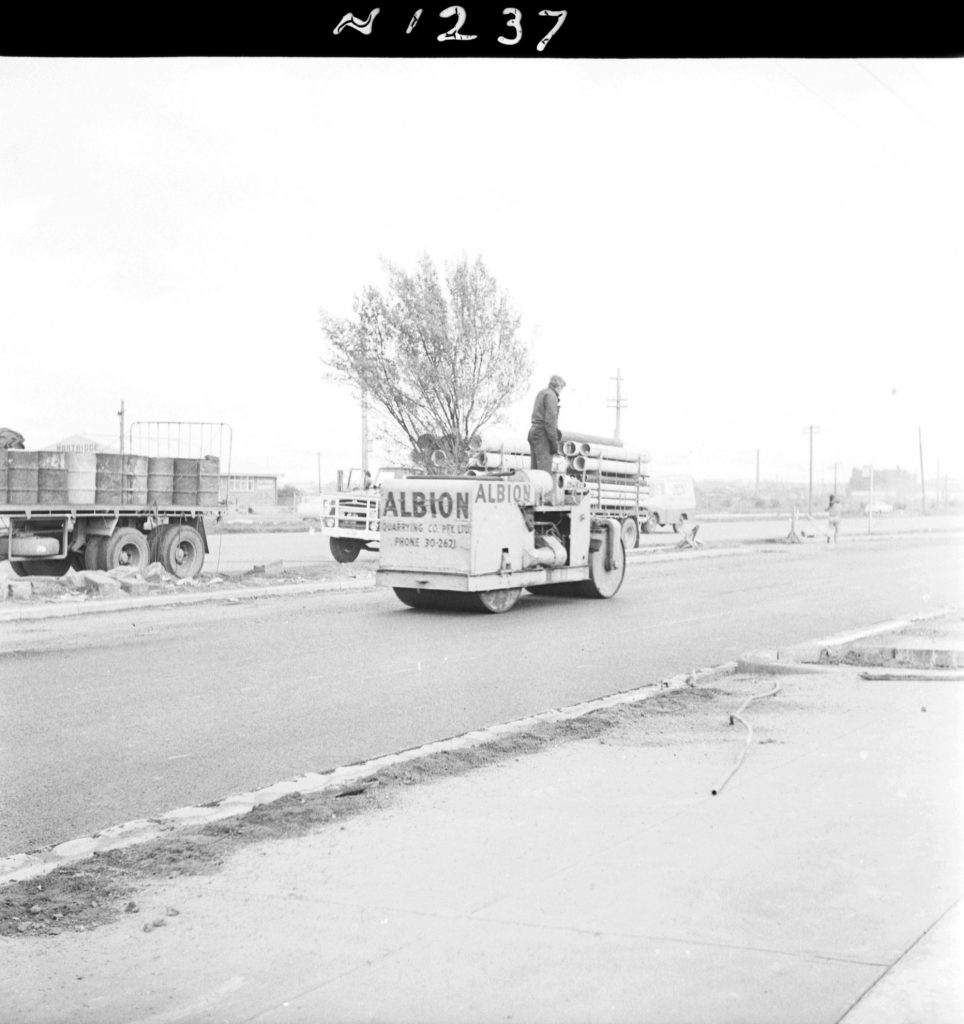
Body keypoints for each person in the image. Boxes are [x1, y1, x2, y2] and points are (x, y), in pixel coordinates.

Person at [528, 374, 566, 472]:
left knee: (534, 471)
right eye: (561, 389)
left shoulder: (542, 393)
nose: (561, 392)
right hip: (543, 435)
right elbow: (550, 422)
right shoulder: (551, 396)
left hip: (533, 431)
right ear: (558, 387)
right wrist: (554, 444)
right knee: (543, 473)